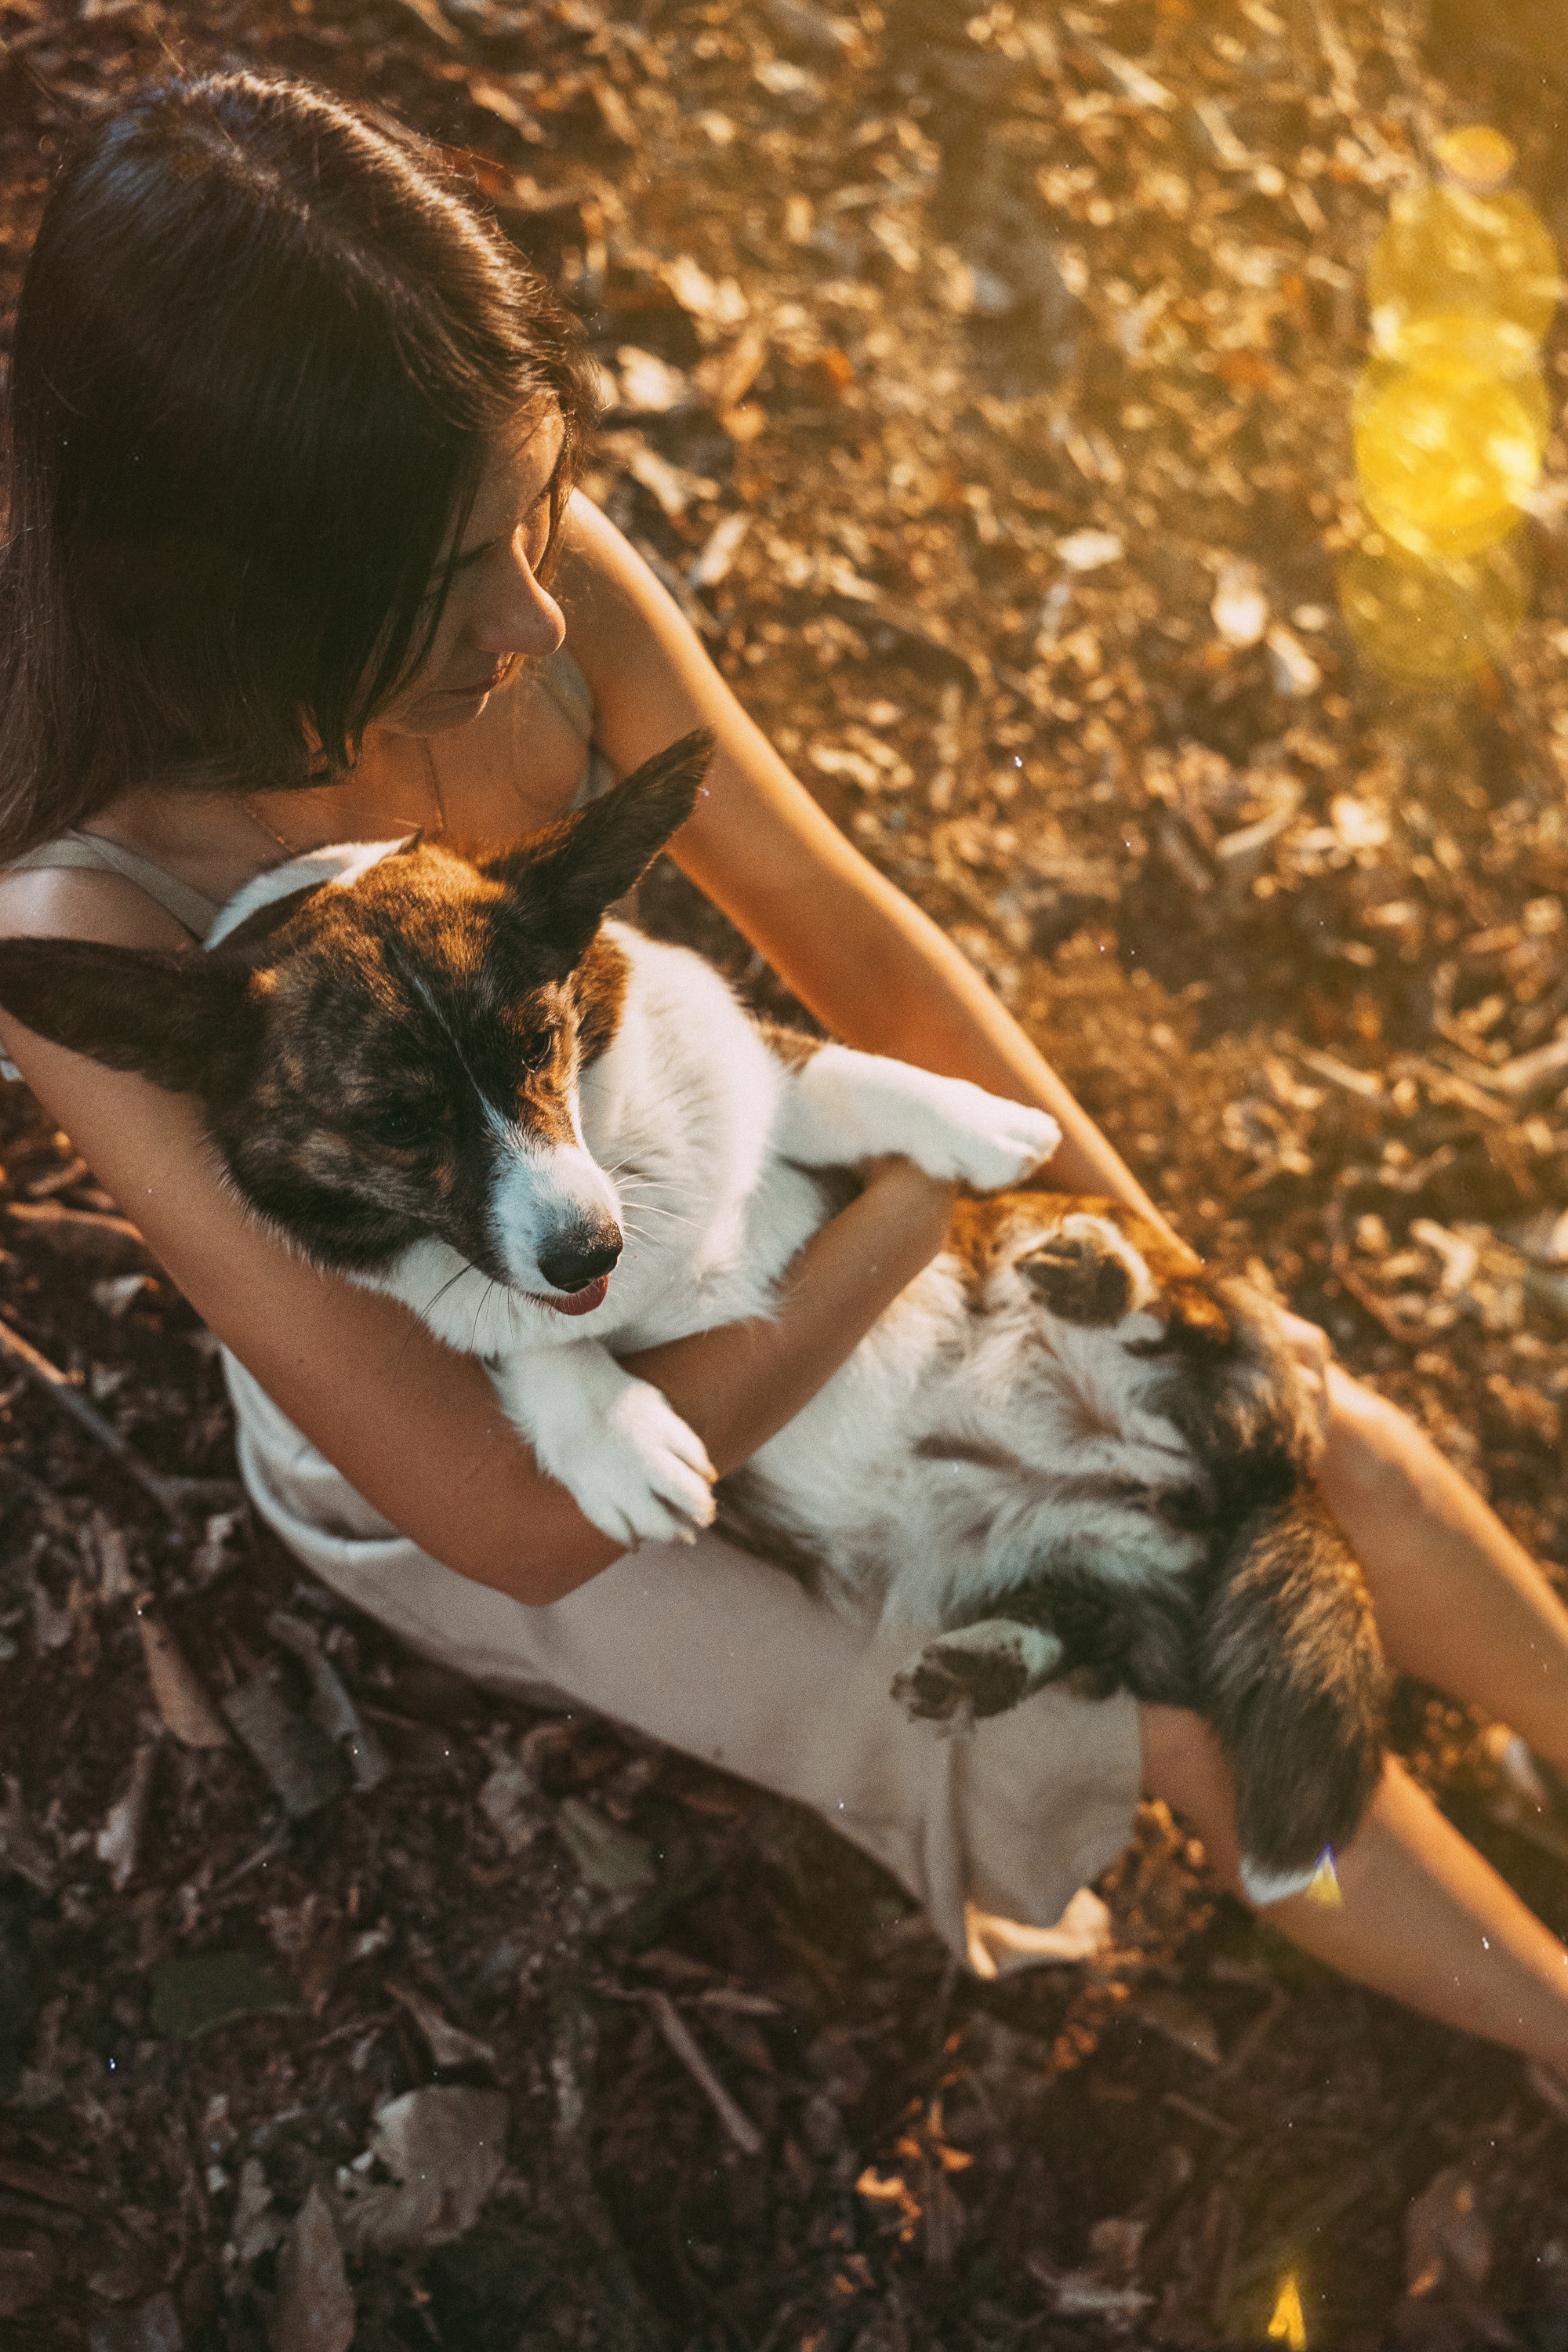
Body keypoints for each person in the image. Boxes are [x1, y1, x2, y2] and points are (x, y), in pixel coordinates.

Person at [5, 71, 1568, 2060]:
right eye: (447, 581)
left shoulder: (534, 615)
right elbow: (518, 1511)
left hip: (721, 1183)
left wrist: (1138, 1256)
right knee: (1153, 1665)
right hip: (512, 1419)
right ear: (238, 596)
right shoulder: (100, 924)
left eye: (536, 518)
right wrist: (922, 1198)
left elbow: (854, 944)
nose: (538, 612)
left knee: (1292, 1424)